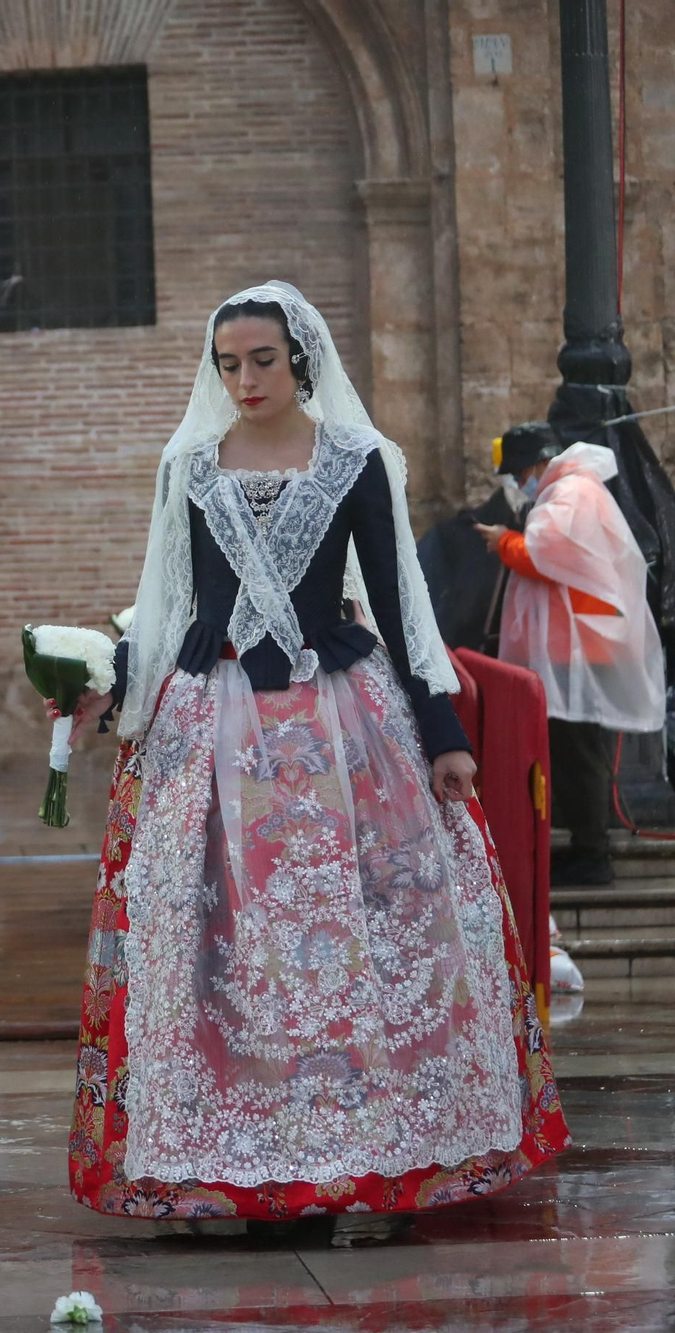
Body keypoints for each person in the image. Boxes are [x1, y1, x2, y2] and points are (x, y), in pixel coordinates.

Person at [64, 282, 565, 1229]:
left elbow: (400, 601)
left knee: (354, 931)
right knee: (216, 946)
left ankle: (364, 1158)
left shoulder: (357, 461)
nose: (244, 378)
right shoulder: (190, 466)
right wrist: (114, 684)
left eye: (261, 359)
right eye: (228, 363)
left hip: (339, 725)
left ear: (300, 357)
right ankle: (222, 1168)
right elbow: (174, 608)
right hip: (212, 720)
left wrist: (444, 735)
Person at [478, 421, 665, 886]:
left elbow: (543, 553)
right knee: (571, 747)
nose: (522, 485)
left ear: (540, 463)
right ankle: (583, 845)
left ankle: (592, 853)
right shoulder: (573, 490)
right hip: (574, 643)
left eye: (522, 475)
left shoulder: (572, 492)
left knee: (577, 751)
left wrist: (501, 540)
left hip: (576, 645)